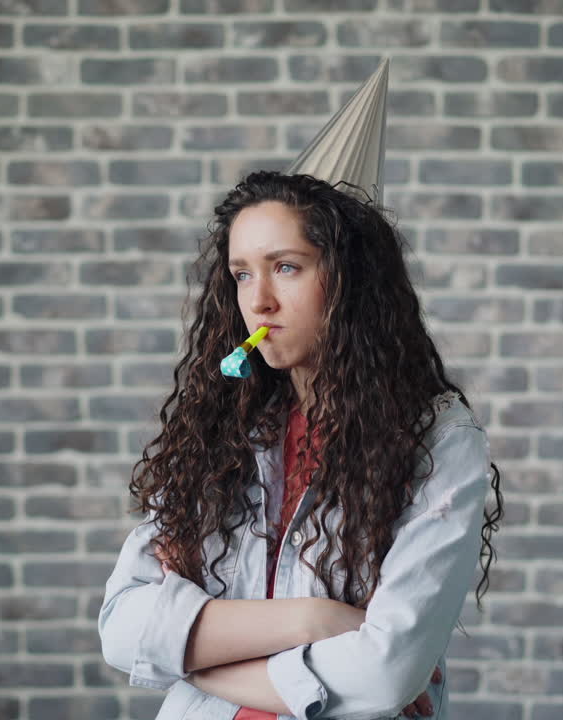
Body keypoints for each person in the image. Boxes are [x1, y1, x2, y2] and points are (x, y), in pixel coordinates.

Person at [99, 59, 502, 719]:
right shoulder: (217, 425)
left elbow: (384, 674)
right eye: (240, 273)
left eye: (287, 267)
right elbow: (121, 626)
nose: (258, 300)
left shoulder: (438, 440)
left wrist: (196, 654)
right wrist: (314, 619)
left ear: (349, 279)